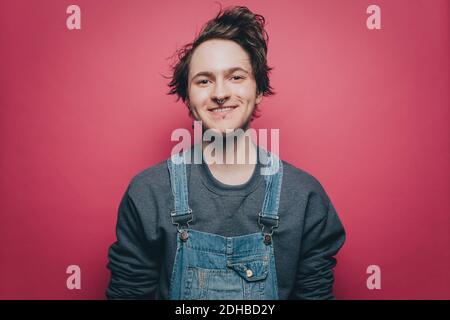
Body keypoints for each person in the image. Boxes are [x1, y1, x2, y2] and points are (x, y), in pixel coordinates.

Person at [106, 5, 346, 300]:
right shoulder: (149, 192)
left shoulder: (305, 197)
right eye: (204, 80)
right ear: (188, 98)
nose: (220, 93)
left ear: (258, 89)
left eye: (236, 77)